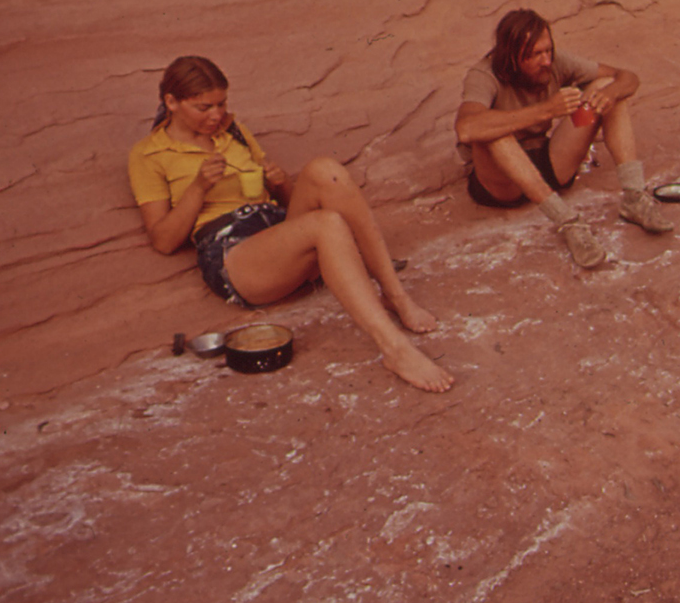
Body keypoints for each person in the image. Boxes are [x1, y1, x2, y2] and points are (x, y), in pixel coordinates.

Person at [127, 56, 453, 392]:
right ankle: (395, 349)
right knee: (325, 225)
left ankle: (396, 296)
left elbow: (285, 203)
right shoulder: (148, 154)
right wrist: (198, 188)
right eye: (203, 107)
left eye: (222, 103)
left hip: (275, 231)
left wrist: (280, 183)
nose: (216, 115)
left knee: (326, 170)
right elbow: (163, 240)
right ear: (171, 102)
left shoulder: (232, 131)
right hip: (234, 255)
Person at [453, 8, 674, 266]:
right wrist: (546, 110)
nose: (546, 61)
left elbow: (626, 77)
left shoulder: (555, 62)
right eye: (536, 54)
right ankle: (568, 223)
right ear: (511, 57)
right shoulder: (484, 75)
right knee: (492, 131)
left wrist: (610, 93)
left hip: (548, 163)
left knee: (604, 88)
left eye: (548, 50)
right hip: (503, 184)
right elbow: (466, 128)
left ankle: (634, 195)